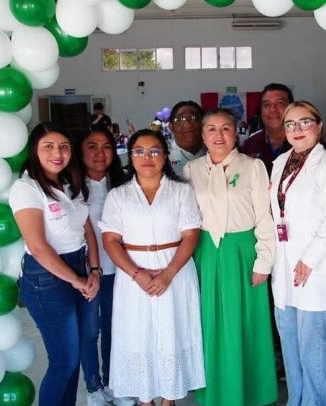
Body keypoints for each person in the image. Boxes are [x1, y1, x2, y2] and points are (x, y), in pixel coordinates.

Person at [99, 129, 205, 406]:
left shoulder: (181, 191)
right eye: (139, 151)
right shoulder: (118, 196)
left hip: (175, 269)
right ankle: (145, 399)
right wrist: (137, 274)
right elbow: (110, 240)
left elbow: (191, 234)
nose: (147, 157)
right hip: (133, 274)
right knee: (139, 334)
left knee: (174, 330)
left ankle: (169, 400)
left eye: (154, 151)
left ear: (166, 156)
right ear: (130, 157)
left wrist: (168, 273)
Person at [183, 109, 278, 406]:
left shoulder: (253, 167)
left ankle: (251, 392)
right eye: (211, 129)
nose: (219, 135)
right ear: (203, 135)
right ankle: (214, 394)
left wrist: (263, 262)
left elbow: (265, 217)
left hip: (242, 253)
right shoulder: (191, 170)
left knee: (245, 323)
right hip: (204, 253)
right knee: (208, 322)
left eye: (225, 128)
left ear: (236, 133)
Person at [9, 122, 101, 406]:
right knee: (63, 362)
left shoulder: (71, 183)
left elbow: (88, 230)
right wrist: (76, 280)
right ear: (34, 151)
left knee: (74, 359)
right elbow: (38, 247)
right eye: (48, 146)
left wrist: (94, 271)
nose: (57, 153)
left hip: (80, 267)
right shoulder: (26, 188)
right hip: (46, 277)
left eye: (63, 146)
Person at [270, 101, 326, 406]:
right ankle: (296, 399)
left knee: (312, 344)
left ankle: (315, 401)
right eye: (290, 124)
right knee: (289, 341)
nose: (297, 129)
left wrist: (310, 258)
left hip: (313, 267)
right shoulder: (280, 162)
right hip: (284, 263)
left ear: (319, 126)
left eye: (305, 122)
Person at [76, 125, 127, 405]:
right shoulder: (71, 187)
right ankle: (93, 387)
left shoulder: (123, 184)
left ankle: (112, 383)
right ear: (80, 151)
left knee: (113, 329)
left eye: (106, 147)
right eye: (92, 147)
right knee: (89, 331)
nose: (100, 153)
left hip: (118, 270)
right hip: (86, 272)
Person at [242, 83, 294, 175]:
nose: (273, 109)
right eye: (267, 104)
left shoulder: (304, 141)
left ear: (291, 108)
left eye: (280, 103)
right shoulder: (250, 144)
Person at [168, 101, 206, 177]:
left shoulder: (216, 149)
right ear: (171, 126)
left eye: (193, 118)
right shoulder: (165, 155)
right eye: (180, 119)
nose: (188, 124)